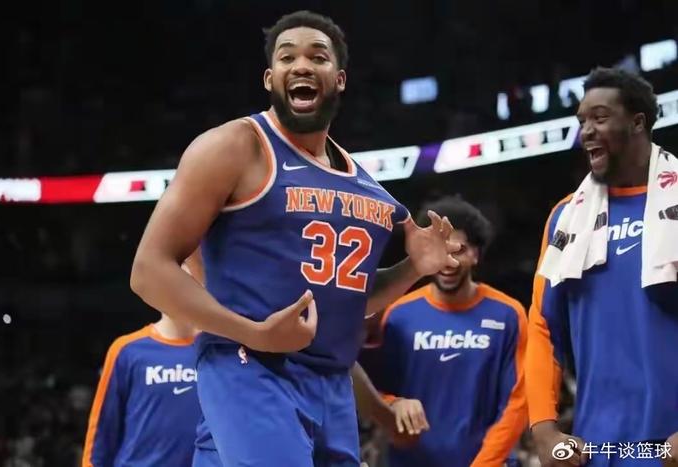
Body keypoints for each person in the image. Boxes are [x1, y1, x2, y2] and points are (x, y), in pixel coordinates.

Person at [129, 10, 459, 467]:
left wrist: (413, 269)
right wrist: (255, 334)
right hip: (250, 366)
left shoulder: (365, 186)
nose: (301, 65)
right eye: (287, 57)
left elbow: (347, 302)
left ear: (339, 79)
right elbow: (148, 271)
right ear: (270, 78)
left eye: (317, 57)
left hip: (333, 383)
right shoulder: (234, 146)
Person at [526, 67, 678, 467]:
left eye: (600, 118)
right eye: (582, 122)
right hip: (597, 448)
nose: (586, 132)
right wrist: (543, 429)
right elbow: (542, 326)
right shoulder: (564, 217)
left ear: (637, 122)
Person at [358, 197, 528, 467]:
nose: (448, 262)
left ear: (476, 254)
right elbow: (373, 387)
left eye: (458, 250)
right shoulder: (398, 313)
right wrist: (394, 403)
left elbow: (518, 401)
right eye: (440, 250)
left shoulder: (508, 314)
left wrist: (487, 463)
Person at [82, 261, 204, 467]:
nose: (177, 291)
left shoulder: (216, 351)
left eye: (187, 282)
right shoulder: (127, 350)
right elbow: (101, 432)